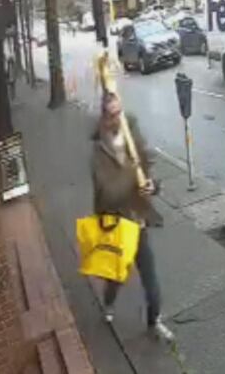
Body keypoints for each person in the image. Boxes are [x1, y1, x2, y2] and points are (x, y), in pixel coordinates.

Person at [91, 92, 174, 342]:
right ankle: (108, 304)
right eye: (113, 114)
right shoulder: (99, 152)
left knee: (151, 279)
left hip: (138, 222)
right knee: (116, 276)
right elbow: (106, 193)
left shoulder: (132, 135)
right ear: (105, 117)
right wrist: (131, 175)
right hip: (117, 225)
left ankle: (154, 320)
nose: (118, 118)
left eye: (120, 112)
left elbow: (146, 170)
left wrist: (152, 185)